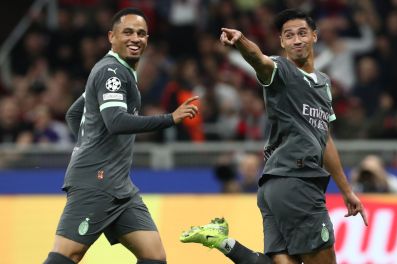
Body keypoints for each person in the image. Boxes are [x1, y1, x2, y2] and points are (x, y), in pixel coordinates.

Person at [180, 9, 367, 264]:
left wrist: (346, 190)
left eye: (302, 33)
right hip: (297, 182)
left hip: (273, 186)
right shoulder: (280, 70)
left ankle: (225, 242)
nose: (297, 40)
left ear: (314, 36)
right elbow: (259, 59)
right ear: (282, 42)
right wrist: (242, 41)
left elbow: (325, 138)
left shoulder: (323, 83)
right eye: (289, 36)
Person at [44, 8, 199, 264]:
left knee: (154, 256)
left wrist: (91, 143)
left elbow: (74, 114)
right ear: (111, 37)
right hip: (95, 181)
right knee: (68, 254)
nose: (135, 38)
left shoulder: (120, 71)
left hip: (119, 187)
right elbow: (115, 122)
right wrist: (170, 119)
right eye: (127, 32)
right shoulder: (112, 72)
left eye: (141, 33)